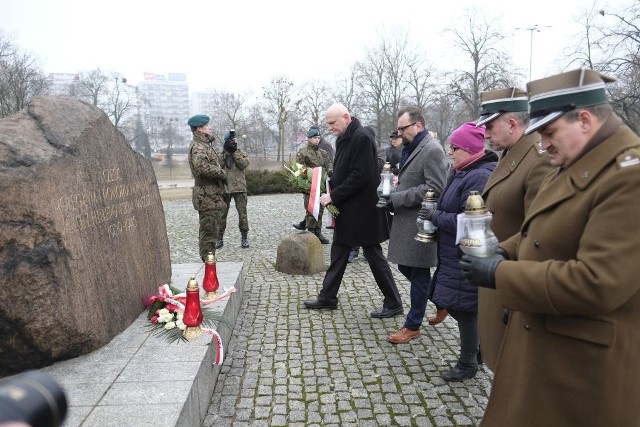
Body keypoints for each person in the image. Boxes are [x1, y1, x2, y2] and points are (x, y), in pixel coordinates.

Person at [460, 68, 640, 425]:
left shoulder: (628, 175)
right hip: (551, 342)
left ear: (584, 120)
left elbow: (598, 281)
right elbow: (541, 231)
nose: (542, 145)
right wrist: (506, 250)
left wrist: (501, 273)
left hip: (584, 366)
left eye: (549, 132)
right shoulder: (580, 159)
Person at [475, 87, 553, 372]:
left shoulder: (537, 159)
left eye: (489, 125)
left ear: (512, 123)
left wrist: (518, 291)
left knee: (513, 372)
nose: (484, 133)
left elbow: (537, 234)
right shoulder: (511, 153)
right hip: (497, 276)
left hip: (511, 281)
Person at [304, 103, 403, 318]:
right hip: (349, 209)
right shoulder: (344, 138)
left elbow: (362, 176)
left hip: (363, 211)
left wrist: (333, 195)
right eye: (328, 124)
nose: (329, 127)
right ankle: (328, 297)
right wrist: (330, 183)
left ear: (346, 117)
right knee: (339, 252)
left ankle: (394, 301)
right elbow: (344, 170)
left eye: (333, 123)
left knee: (374, 255)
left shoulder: (362, 137)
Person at [420, 122, 497, 381]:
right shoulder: (462, 171)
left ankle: (469, 363)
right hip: (453, 252)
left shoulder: (478, 176)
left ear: (468, 149)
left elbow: (469, 221)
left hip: (466, 252)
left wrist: (436, 215)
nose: (450, 152)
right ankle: (476, 353)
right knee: (458, 306)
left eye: (454, 148)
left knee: (465, 308)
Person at [384, 106, 447, 345]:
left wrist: (399, 197)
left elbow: (435, 188)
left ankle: (412, 325)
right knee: (405, 267)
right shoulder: (412, 148)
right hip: (407, 221)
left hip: (420, 222)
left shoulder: (432, 150)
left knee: (418, 272)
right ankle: (441, 301)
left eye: (403, 128)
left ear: (418, 125)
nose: (400, 133)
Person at [187, 114, 227, 261]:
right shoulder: (198, 146)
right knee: (209, 233)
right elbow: (201, 167)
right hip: (207, 196)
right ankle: (208, 267)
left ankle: (209, 263)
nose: (210, 127)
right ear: (199, 128)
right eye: (207, 125)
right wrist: (222, 173)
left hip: (211, 195)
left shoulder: (204, 145)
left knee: (210, 231)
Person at [293, 127, 333, 244]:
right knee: (311, 209)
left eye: (318, 138)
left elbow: (329, 164)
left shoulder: (323, 153)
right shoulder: (303, 152)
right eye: (315, 138)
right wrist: (309, 176)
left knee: (320, 209)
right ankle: (311, 232)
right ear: (309, 139)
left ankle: (318, 231)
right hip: (309, 186)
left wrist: (330, 171)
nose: (317, 140)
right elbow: (298, 169)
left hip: (321, 185)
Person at [217, 129, 251, 249]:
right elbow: (218, 166)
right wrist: (227, 151)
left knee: (242, 214)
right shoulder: (221, 154)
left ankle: (244, 238)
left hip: (240, 188)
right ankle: (219, 238)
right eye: (231, 141)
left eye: (234, 140)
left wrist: (235, 152)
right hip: (225, 188)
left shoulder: (241, 153)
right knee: (222, 215)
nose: (233, 142)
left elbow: (243, 164)